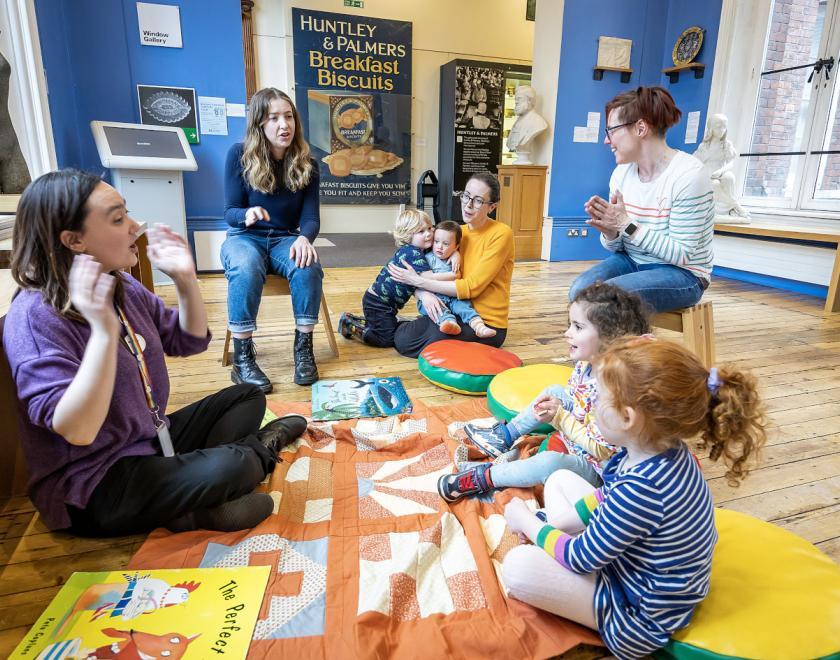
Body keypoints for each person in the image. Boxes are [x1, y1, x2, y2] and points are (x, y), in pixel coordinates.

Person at [3, 169, 309, 536]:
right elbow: (79, 431)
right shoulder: (35, 317)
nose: (135, 225)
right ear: (74, 241)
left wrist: (184, 280)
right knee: (235, 465)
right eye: (118, 219)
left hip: (147, 440)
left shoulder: (121, 283)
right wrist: (103, 331)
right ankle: (250, 457)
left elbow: (189, 341)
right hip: (93, 486)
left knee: (246, 396)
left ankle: (188, 499)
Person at [502, 337, 767, 658]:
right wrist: (555, 525)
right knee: (559, 479)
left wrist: (528, 523)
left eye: (599, 399)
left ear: (627, 417)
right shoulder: (658, 452)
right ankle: (557, 537)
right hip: (638, 568)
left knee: (518, 567)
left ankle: (569, 570)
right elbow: (605, 495)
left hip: (637, 615)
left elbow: (579, 558)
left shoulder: (643, 488)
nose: (591, 406)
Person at [437, 283, 650, 502]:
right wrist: (555, 411)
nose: (567, 333)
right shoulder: (586, 364)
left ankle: (484, 478)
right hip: (581, 438)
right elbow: (578, 405)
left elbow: (601, 450)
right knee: (556, 391)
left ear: (610, 337)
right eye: (570, 325)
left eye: (578, 327)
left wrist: (560, 418)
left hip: (599, 471)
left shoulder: (614, 389)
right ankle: (505, 435)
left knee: (548, 462)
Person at [569, 86, 715, 313]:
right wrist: (611, 232)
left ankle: (627, 348)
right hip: (632, 261)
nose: (607, 141)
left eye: (611, 131)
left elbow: (682, 255)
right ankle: (594, 349)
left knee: (604, 301)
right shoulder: (621, 173)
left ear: (640, 128)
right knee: (579, 291)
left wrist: (625, 225)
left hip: (683, 274)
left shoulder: (689, 175)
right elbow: (618, 245)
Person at [221, 87, 322, 391]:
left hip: (284, 239)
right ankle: (243, 361)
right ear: (260, 124)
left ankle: (304, 350)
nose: (284, 125)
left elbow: (311, 218)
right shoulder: (238, 155)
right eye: (274, 117)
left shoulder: (309, 164)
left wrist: (306, 239)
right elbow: (229, 212)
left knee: (308, 266)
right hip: (244, 237)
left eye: (288, 116)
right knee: (246, 265)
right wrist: (246, 214)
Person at [386, 171, 515, 358]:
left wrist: (419, 283)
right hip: (452, 310)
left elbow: (472, 288)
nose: (468, 204)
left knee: (405, 339)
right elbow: (423, 268)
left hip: (485, 322)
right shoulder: (456, 234)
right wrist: (423, 293)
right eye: (466, 196)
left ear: (492, 206)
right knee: (405, 337)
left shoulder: (502, 234)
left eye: (478, 200)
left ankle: (406, 324)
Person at [337, 209, 434, 348]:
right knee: (386, 339)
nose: (429, 234)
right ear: (407, 236)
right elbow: (430, 279)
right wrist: (454, 278)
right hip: (378, 304)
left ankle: (362, 320)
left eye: (430, 228)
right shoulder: (413, 253)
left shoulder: (412, 249)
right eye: (421, 231)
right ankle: (350, 325)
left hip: (380, 302)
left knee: (383, 325)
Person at [417, 220, 496, 339]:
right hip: (433, 298)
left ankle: (479, 326)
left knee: (464, 306)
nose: (440, 247)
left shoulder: (455, 259)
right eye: (436, 242)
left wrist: (455, 255)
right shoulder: (427, 259)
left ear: (456, 247)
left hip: (453, 297)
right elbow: (420, 280)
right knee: (436, 310)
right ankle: (449, 323)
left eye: (446, 244)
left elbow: (458, 275)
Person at [694, 113, 750, 220]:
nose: (722, 130)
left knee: (729, 177)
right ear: (711, 128)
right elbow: (696, 161)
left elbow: (731, 163)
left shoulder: (726, 144)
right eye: (718, 127)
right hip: (708, 173)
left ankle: (729, 210)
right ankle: (736, 206)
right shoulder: (704, 146)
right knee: (714, 184)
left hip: (721, 171)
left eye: (724, 127)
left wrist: (721, 171)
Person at [506, 86, 549, 160]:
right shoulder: (518, 121)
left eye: (519, 99)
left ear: (529, 101)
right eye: (516, 99)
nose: (516, 102)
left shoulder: (539, 123)